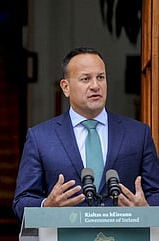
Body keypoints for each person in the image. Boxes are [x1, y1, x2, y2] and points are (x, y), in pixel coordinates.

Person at [12, 47, 159, 221]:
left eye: (101, 77)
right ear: (65, 87)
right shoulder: (41, 138)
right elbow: (21, 202)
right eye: (85, 79)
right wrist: (47, 206)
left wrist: (147, 209)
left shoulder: (138, 133)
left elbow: (155, 191)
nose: (95, 86)